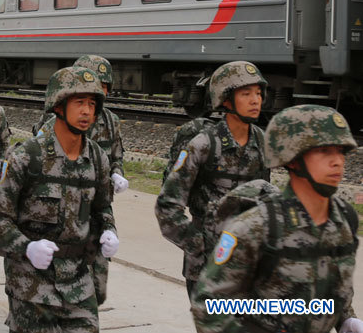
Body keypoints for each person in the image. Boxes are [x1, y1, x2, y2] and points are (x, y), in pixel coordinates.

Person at [191, 105, 362, 333]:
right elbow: (208, 307)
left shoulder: (343, 219)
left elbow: (331, 285)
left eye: (340, 151)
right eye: (324, 151)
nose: (337, 161)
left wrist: (346, 318)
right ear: (292, 158)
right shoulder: (256, 226)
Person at [0, 66, 117, 333]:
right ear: (58, 105)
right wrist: (26, 247)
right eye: (79, 103)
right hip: (32, 287)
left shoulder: (97, 159)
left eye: (92, 104)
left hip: (79, 284)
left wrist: (109, 231)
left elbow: (103, 208)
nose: (87, 112)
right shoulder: (29, 157)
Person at [155, 60, 270, 296]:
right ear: (225, 99)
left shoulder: (261, 143)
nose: (255, 100)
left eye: (258, 93)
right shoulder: (204, 144)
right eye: (246, 93)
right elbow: (167, 207)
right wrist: (200, 246)